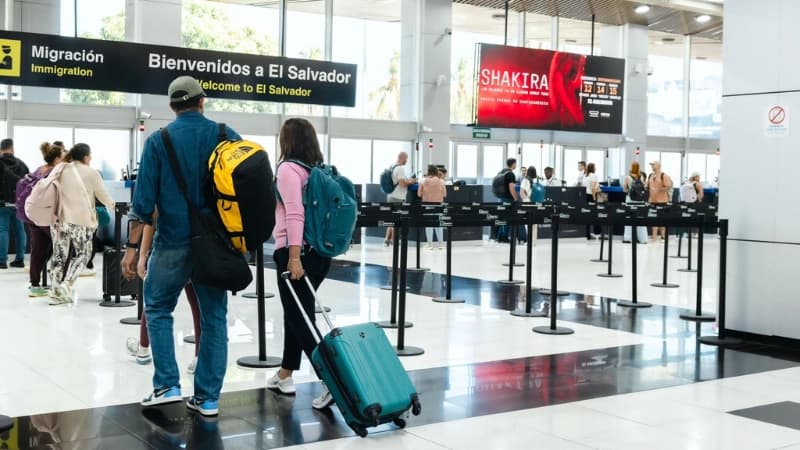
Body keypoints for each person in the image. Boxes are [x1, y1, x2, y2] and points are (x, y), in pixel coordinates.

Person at [121, 75, 240, 417]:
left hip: (172, 241)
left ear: (172, 106)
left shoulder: (158, 141)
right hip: (215, 245)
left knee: (158, 308)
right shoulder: (226, 136)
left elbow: (144, 204)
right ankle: (208, 398)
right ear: (202, 102)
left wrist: (132, 250)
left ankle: (167, 385)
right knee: (214, 317)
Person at [266, 118, 334, 411]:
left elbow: (295, 214)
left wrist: (293, 257)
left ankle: (331, 380)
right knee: (296, 313)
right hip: (320, 253)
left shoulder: (287, 169)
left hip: (296, 253)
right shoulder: (317, 170)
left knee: (301, 318)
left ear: (287, 141)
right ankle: (285, 373)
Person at [126, 209, 201, 375]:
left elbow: (151, 216)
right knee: (200, 306)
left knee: (156, 304)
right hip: (200, 243)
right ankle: (199, 357)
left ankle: (144, 348)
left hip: (169, 245)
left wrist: (142, 254)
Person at [47, 143, 114, 305]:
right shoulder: (91, 173)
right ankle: (67, 284)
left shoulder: (60, 168)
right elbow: (103, 195)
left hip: (58, 219)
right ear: (85, 157)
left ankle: (55, 291)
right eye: (90, 155)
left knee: (58, 255)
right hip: (80, 220)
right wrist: (114, 205)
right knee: (83, 253)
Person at [26, 142, 64, 297]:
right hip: (47, 217)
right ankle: (59, 285)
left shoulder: (38, 170)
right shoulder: (55, 173)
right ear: (56, 159)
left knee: (37, 249)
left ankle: (34, 285)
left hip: (32, 215)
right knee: (65, 247)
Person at [0, 138, 29, 269]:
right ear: (12, 149)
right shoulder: (22, 164)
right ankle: (20, 260)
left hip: (2, 203)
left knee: (3, 230)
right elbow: (28, 182)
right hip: (18, 204)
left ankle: (2, 261)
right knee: (20, 231)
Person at [384, 152, 416, 246]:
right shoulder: (400, 168)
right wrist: (411, 181)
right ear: (403, 158)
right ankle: (394, 241)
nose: (407, 161)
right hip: (398, 197)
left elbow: (398, 181)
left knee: (392, 219)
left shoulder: (392, 167)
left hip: (391, 195)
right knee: (397, 220)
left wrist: (407, 180)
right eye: (406, 159)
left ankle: (387, 239)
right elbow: (402, 184)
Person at [418, 164, 446, 249]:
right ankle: (441, 244)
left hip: (428, 205)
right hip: (438, 205)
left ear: (428, 171)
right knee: (439, 224)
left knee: (429, 225)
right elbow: (444, 194)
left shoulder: (423, 181)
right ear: (436, 172)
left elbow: (419, 194)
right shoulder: (441, 181)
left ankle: (430, 245)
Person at [622, 162, 648, 245]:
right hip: (640, 200)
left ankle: (628, 238)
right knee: (641, 218)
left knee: (629, 218)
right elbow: (645, 187)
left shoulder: (628, 177)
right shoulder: (642, 177)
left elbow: (624, 190)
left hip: (630, 200)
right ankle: (643, 239)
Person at [493, 158, 518, 242]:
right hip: (507, 199)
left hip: (500, 198)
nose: (516, 165)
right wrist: (515, 198)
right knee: (506, 218)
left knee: (501, 217)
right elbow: (511, 187)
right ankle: (503, 236)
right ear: (513, 164)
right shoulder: (510, 174)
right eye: (515, 163)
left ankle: (498, 236)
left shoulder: (501, 173)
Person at [647, 160, 673, 241]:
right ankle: (654, 236)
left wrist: (659, 190)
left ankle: (663, 235)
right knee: (653, 219)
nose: (652, 166)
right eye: (651, 165)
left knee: (662, 218)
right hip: (652, 201)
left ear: (658, 166)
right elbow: (647, 185)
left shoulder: (664, 175)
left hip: (662, 201)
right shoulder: (651, 175)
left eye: (653, 165)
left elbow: (668, 186)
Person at [584, 162, 601, 240]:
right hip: (591, 196)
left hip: (585, 196)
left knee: (587, 215)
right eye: (595, 167)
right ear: (593, 168)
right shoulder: (594, 176)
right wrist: (594, 199)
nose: (596, 168)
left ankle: (587, 234)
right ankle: (597, 233)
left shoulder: (586, 176)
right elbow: (593, 188)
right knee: (595, 215)